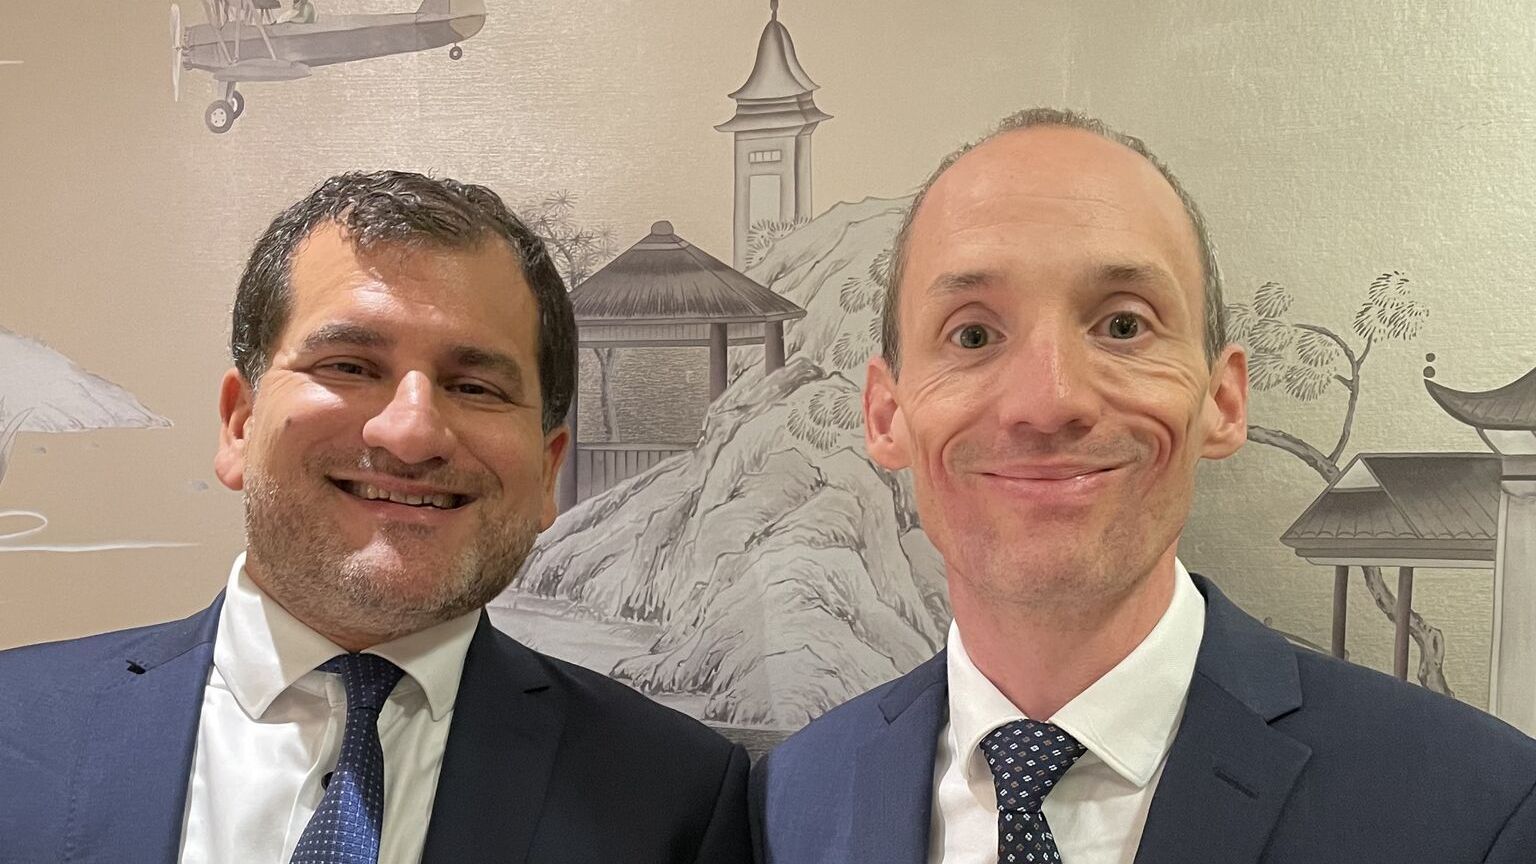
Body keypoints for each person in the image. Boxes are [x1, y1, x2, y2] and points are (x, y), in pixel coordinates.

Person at [750, 109, 1536, 864]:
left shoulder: (1479, 811)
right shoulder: (789, 802)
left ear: (1222, 401)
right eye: (974, 334)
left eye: (1123, 325)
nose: (1049, 401)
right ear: (886, 415)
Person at [0, 171, 750, 863]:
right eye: (350, 367)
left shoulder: (674, 797)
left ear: (548, 469)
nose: (411, 432)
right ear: (239, 425)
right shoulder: (14, 728)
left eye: (476, 386)